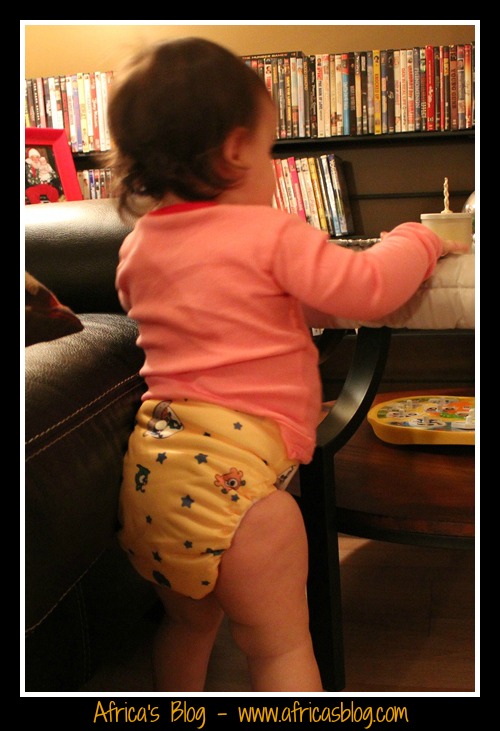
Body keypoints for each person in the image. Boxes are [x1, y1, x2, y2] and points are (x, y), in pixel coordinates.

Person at [107, 37, 468, 693]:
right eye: (271, 150)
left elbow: (220, 305)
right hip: (242, 495)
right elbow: (367, 289)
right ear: (237, 149)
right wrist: (420, 238)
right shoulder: (271, 232)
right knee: (279, 649)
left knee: (187, 627)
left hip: (153, 478)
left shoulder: (138, 248)